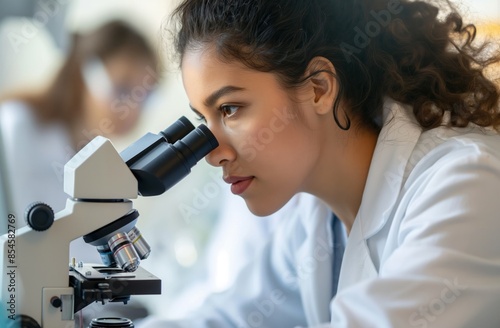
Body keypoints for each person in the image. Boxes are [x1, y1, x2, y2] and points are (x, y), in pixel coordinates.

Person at [137, 0, 500, 327]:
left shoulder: (467, 184)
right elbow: (232, 317)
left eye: (230, 109)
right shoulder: (312, 219)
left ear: (319, 89)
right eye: (203, 121)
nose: (213, 154)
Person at [0, 19, 159, 230]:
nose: (132, 109)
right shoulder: (16, 125)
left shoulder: (101, 174)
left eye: (145, 96)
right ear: (86, 75)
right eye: (122, 89)